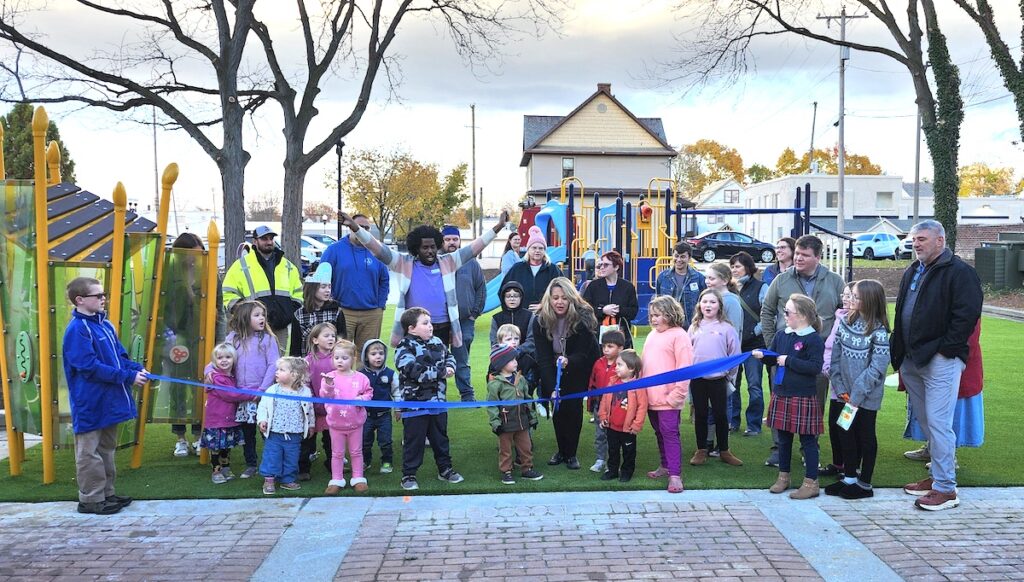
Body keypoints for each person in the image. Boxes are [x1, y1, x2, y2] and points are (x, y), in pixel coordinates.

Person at [892, 220, 982, 511]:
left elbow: (965, 317)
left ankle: (946, 489)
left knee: (940, 424)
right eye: (913, 239)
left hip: (939, 360)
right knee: (928, 422)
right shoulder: (913, 271)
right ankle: (936, 477)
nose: (915, 243)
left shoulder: (960, 273)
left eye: (922, 239)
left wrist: (945, 352)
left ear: (940, 241)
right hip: (912, 359)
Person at [338, 211, 509, 350]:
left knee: (438, 373)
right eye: (425, 247)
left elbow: (476, 246)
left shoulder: (448, 262)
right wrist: (354, 227)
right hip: (413, 329)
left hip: (441, 328)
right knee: (413, 371)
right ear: (416, 249)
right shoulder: (403, 263)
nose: (430, 251)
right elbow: (375, 246)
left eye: (433, 247)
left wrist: (499, 226)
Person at [63, 277, 148, 515]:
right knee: (88, 452)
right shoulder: (77, 330)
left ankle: (106, 494)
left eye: (104, 295)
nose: (103, 299)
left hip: (109, 401)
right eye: (98, 295)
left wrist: (134, 369)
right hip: (89, 402)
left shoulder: (105, 325)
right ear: (80, 300)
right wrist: (127, 377)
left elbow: (120, 357)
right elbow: (88, 367)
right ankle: (90, 500)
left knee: (106, 449)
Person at [759, 234, 844, 467]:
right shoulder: (782, 279)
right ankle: (779, 448)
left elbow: (845, 314)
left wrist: (833, 348)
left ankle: (810, 446)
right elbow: (767, 311)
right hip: (783, 354)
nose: (798, 258)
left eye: (805, 255)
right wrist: (772, 347)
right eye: (797, 253)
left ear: (818, 257)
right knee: (779, 400)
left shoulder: (835, 281)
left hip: (817, 356)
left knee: (814, 402)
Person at [753, 294, 826, 500]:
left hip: (802, 395)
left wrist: (789, 361)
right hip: (782, 393)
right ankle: (783, 477)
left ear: (802, 315)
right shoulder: (781, 335)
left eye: (787, 312)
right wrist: (763, 355)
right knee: (783, 439)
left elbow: (815, 367)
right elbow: (773, 358)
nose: (784, 315)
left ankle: (811, 483)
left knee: (808, 441)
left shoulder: (813, 339)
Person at [826, 279, 890, 500]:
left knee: (865, 436)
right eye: (850, 295)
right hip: (845, 395)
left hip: (866, 398)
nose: (849, 300)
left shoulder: (879, 331)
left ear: (869, 301)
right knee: (845, 432)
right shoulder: (845, 323)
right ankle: (849, 477)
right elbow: (835, 360)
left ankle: (864, 484)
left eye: (855, 296)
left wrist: (856, 395)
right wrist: (841, 388)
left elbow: (877, 368)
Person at [532, 277, 601, 470]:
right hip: (553, 365)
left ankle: (571, 453)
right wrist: (550, 387)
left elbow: (583, 353)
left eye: (564, 297)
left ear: (571, 298)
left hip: (578, 364)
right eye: (555, 298)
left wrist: (568, 361)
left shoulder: (584, 317)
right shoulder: (540, 321)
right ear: (549, 299)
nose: (559, 302)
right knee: (558, 408)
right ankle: (561, 451)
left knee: (573, 407)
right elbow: (543, 359)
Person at [394, 307, 465, 491]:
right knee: (414, 441)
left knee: (440, 438)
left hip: (438, 403)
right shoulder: (404, 347)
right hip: (415, 405)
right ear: (411, 328)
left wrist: (450, 366)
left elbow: (450, 356)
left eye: (430, 322)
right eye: (425, 323)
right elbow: (413, 371)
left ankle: (445, 469)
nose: (430, 326)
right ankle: (409, 475)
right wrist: (442, 372)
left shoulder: (438, 342)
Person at [319, 214, 389, 366]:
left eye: (366, 228)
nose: (362, 230)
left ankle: (362, 389)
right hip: (343, 312)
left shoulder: (376, 251)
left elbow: (384, 280)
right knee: (340, 355)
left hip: (371, 313)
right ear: (349, 228)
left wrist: (380, 305)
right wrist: (329, 302)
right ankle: (339, 389)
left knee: (367, 357)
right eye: (358, 227)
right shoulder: (334, 250)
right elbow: (322, 279)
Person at [641, 295, 694, 494]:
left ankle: (675, 475)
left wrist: (676, 396)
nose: (653, 319)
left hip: (669, 399)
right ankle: (664, 466)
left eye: (658, 315)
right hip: (651, 398)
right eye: (652, 315)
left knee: (670, 434)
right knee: (659, 433)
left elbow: (685, 368)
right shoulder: (652, 335)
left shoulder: (679, 336)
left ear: (670, 314)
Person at [223, 225, 303, 352]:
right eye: (264, 239)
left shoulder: (288, 266)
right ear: (255, 241)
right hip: (253, 328)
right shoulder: (241, 266)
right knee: (256, 364)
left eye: (271, 238)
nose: (269, 242)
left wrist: (288, 313)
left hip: (281, 327)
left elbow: (298, 294)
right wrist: (245, 314)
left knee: (280, 365)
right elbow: (228, 294)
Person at [687, 289, 743, 467]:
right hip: (698, 380)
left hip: (719, 380)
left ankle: (724, 450)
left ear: (719, 306)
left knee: (720, 415)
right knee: (701, 415)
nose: (708, 305)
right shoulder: (694, 327)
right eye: (705, 302)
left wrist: (729, 376)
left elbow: (735, 355)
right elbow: (688, 352)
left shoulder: (727, 328)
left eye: (712, 302)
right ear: (699, 305)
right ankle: (701, 449)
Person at [225, 300, 280, 479]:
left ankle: (272, 464)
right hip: (242, 395)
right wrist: (210, 371)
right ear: (244, 317)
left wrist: (263, 389)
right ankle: (251, 464)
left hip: (262, 395)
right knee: (247, 432)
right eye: (256, 315)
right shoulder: (233, 338)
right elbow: (220, 356)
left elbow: (273, 364)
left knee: (267, 431)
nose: (262, 318)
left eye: (263, 315)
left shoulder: (268, 339)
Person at [164, 232, 207, 457]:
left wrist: (217, 341)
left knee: (200, 387)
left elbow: (215, 309)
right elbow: (162, 309)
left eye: (198, 254)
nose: (194, 259)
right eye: (191, 254)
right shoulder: (168, 275)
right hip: (176, 339)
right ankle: (180, 437)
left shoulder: (207, 274)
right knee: (178, 387)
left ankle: (200, 435)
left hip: (201, 338)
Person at [486, 343, 543, 485]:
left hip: (522, 421)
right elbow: (492, 406)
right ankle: (506, 471)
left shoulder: (521, 379)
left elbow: (528, 399)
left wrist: (532, 417)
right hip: (505, 423)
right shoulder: (495, 384)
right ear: (502, 364)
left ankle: (527, 469)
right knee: (505, 449)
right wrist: (495, 423)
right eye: (512, 360)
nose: (516, 362)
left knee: (526, 447)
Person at [256, 357, 315, 495]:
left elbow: (309, 410)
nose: (277, 372)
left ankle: (288, 479)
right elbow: (263, 406)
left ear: (294, 374)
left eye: (281, 370)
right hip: (275, 433)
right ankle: (269, 479)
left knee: (292, 457)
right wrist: (262, 420)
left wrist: (311, 425)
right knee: (272, 456)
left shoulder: (304, 392)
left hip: (295, 433)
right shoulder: (272, 390)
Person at [321, 340, 373, 494]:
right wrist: (328, 385)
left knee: (356, 451)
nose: (339, 361)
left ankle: (358, 478)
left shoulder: (361, 378)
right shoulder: (329, 377)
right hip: (335, 423)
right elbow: (325, 396)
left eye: (344, 358)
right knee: (336, 453)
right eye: (336, 357)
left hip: (355, 423)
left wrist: (361, 399)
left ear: (353, 359)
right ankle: (337, 479)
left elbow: (369, 393)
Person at [442, 225, 486, 402]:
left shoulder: (471, 262)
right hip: (440, 321)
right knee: (438, 358)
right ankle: (438, 395)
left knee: (462, 359)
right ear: (442, 241)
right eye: (447, 239)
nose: (451, 243)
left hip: (464, 320)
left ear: (460, 241)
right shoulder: (437, 261)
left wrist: (475, 313)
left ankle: (467, 395)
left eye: (455, 239)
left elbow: (480, 288)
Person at [201, 343, 253, 484]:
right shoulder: (216, 378)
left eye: (228, 357)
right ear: (214, 361)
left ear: (234, 359)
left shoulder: (232, 377)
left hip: (228, 419)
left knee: (226, 446)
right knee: (216, 448)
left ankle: (226, 468)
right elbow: (231, 395)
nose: (224, 360)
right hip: (216, 420)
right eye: (220, 358)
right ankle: (216, 471)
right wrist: (251, 394)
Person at [729, 251, 768, 436]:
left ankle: (753, 425)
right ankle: (732, 421)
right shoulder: (729, 289)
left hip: (754, 345)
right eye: (732, 266)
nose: (734, 270)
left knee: (754, 385)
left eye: (737, 266)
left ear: (748, 267)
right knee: (732, 384)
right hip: (734, 346)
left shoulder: (762, 287)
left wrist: (754, 331)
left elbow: (767, 314)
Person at [597, 349, 648, 483]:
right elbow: (604, 400)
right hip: (612, 426)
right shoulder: (612, 382)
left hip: (628, 429)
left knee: (629, 451)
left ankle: (627, 472)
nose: (616, 367)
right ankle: (612, 471)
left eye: (620, 365)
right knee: (613, 450)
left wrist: (636, 425)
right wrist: (603, 417)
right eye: (616, 364)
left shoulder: (638, 386)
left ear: (631, 368)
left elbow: (642, 407)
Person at [820, 282, 855, 477]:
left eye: (851, 296)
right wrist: (828, 368)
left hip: (849, 388)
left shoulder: (860, 322)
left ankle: (852, 468)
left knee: (847, 426)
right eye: (845, 295)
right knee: (834, 424)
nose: (846, 299)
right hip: (835, 382)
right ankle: (838, 463)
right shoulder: (838, 318)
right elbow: (830, 347)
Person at [299, 322, 336, 480]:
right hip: (313, 408)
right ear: (315, 340)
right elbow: (305, 385)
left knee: (332, 440)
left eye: (333, 335)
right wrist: (314, 404)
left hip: (333, 408)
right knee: (307, 440)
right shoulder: (308, 361)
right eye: (326, 335)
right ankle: (303, 468)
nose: (331, 338)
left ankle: (333, 465)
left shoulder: (338, 359)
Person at [581, 250, 639, 348]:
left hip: (621, 336)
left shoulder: (628, 287)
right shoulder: (593, 286)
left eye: (606, 265)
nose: (602, 268)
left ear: (616, 267)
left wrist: (618, 310)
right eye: (600, 265)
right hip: (597, 336)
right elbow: (584, 309)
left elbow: (633, 311)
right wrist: (602, 310)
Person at [587, 330, 626, 474]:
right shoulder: (598, 363)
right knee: (600, 434)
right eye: (604, 346)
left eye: (610, 346)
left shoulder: (624, 365)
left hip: (616, 407)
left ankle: (613, 461)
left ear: (620, 348)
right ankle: (600, 459)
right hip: (600, 406)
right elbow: (592, 383)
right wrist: (591, 403)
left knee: (615, 436)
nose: (606, 350)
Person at [289, 262, 346, 357]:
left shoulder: (336, 311)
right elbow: (295, 346)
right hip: (307, 363)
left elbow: (342, 338)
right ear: (312, 289)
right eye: (323, 287)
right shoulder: (299, 315)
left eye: (329, 287)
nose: (327, 290)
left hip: (331, 362)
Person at [360, 339, 399, 475]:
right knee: (365, 441)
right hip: (366, 416)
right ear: (366, 356)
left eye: (381, 353)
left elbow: (396, 392)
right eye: (373, 354)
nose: (378, 356)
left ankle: (387, 461)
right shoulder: (360, 375)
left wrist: (398, 408)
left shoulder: (390, 374)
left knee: (385, 441)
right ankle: (365, 461)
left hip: (384, 415)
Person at [501, 226, 562, 311]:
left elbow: (564, 293)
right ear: (528, 250)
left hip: (547, 316)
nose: (537, 251)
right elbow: (503, 291)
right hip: (521, 316)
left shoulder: (553, 270)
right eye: (534, 248)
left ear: (544, 251)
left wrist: (545, 305)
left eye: (541, 248)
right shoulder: (517, 269)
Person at [654, 242, 706, 326]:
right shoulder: (662, 277)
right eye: (676, 256)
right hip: (668, 324)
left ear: (689, 258)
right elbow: (658, 302)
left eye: (683, 257)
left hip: (691, 325)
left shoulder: (699, 279)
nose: (679, 260)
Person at [490, 281, 533, 346]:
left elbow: (531, 340)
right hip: (503, 354)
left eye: (516, 296)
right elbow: (494, 341)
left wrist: (518, 351)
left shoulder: (529, 316)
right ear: (503, 298)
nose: (512, 299)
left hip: (526, 354)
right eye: (508, 296)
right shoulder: (497, 318)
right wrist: (506, 352)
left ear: (521, 297)